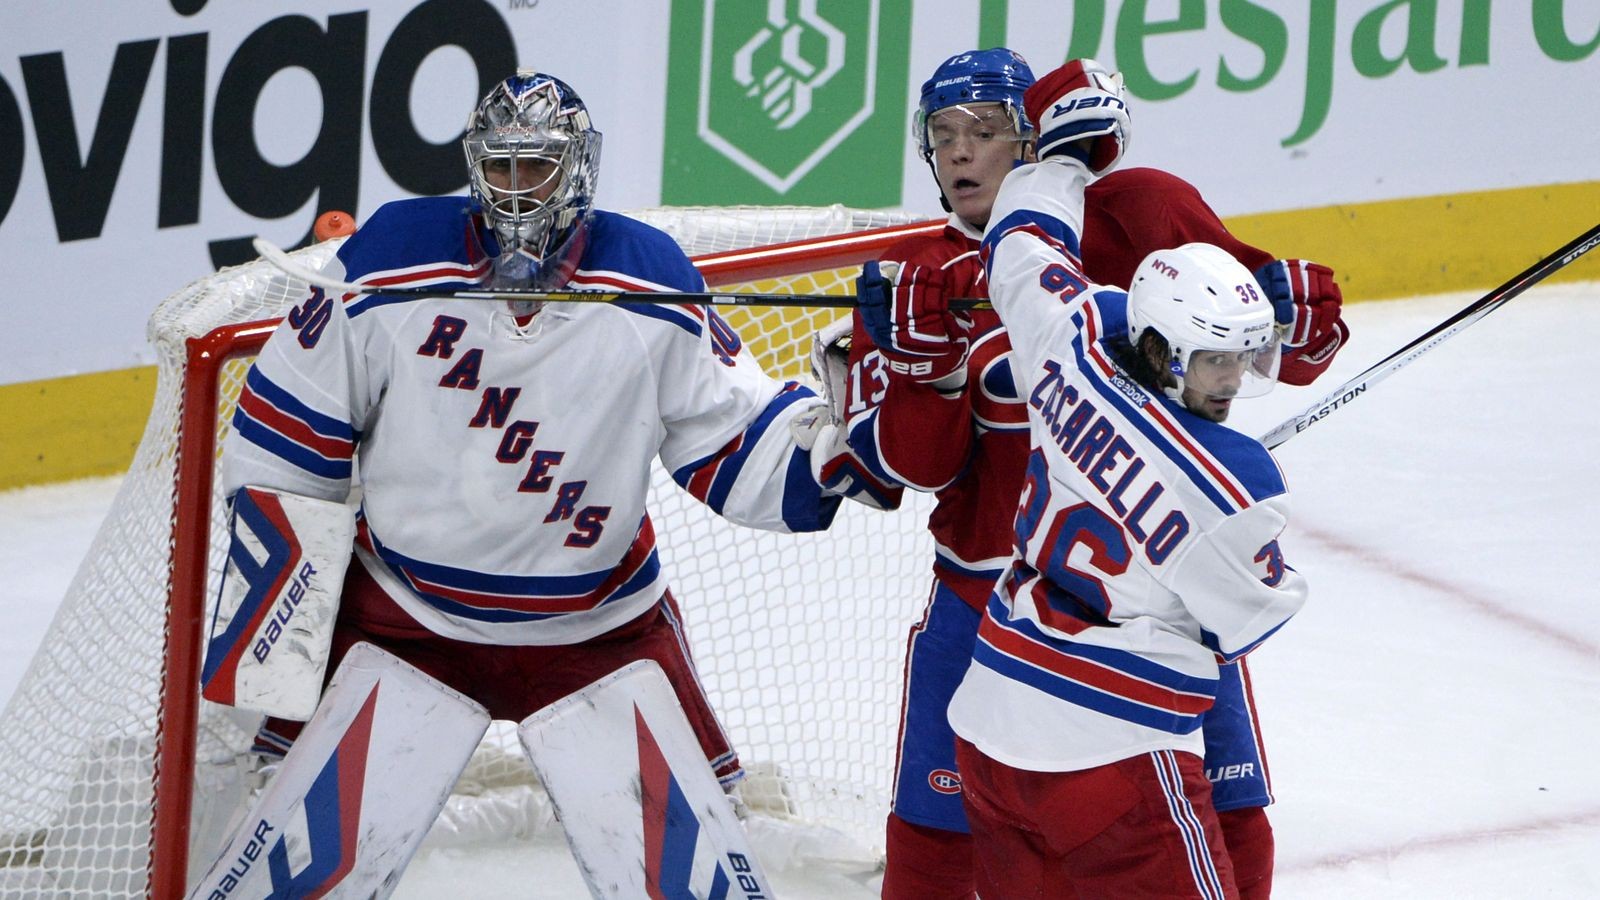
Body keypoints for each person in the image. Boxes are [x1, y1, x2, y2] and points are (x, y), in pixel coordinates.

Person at [215, 69, 890, 865]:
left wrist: (843, 441)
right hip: (400, 620)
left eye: (537, 166)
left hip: (600, 631)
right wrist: (276, 657)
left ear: (579, 168)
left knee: (713, 851)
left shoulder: (648, 279)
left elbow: (731, 441)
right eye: (499, 166)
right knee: (272, 839)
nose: (516, 189)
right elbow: (285, 446)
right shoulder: (389, 262)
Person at [845, 50, 1344, 899]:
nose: (961, 153)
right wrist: (927, 374)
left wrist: (1300, 311)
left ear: (1033, 140)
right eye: (943, 135)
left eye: (986, 131)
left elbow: (1289, 348)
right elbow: (899, 475)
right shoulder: (912, 282)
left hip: (1156, 606)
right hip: (985, 603)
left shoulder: (1143, 211)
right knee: (934, 843)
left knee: (1229, 818)